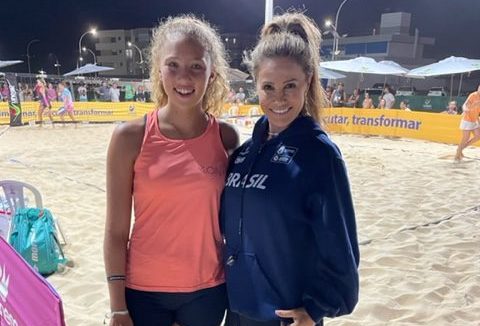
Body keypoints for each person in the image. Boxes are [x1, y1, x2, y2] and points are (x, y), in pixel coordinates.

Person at [222, 12, 359, 326]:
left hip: (286, 316)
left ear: (308, 81)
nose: (278, 98)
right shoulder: (244, 154)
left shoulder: (320, 155)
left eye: (290, 85)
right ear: (255, 85)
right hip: (238, 313)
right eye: (268, 87)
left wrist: (317, 307)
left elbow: (341, 251)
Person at [103, 14, 239, 326]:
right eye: (173, 65)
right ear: (159, 70)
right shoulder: (129, 138)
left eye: (196, 67)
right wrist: (117, 307)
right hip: (143, 291)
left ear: (212, 74)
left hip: (207, 290)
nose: (184, 77)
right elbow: (115, 232)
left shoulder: (227, 138)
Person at [455, 85, 480, 160]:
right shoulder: (473, 95)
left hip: (475, 119)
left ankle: (461, 149)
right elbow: (465, 105)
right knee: (465, 138)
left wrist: (478, 120)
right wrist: (465, 109)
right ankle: (457, 155)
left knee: (478, 136)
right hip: (467, 119)